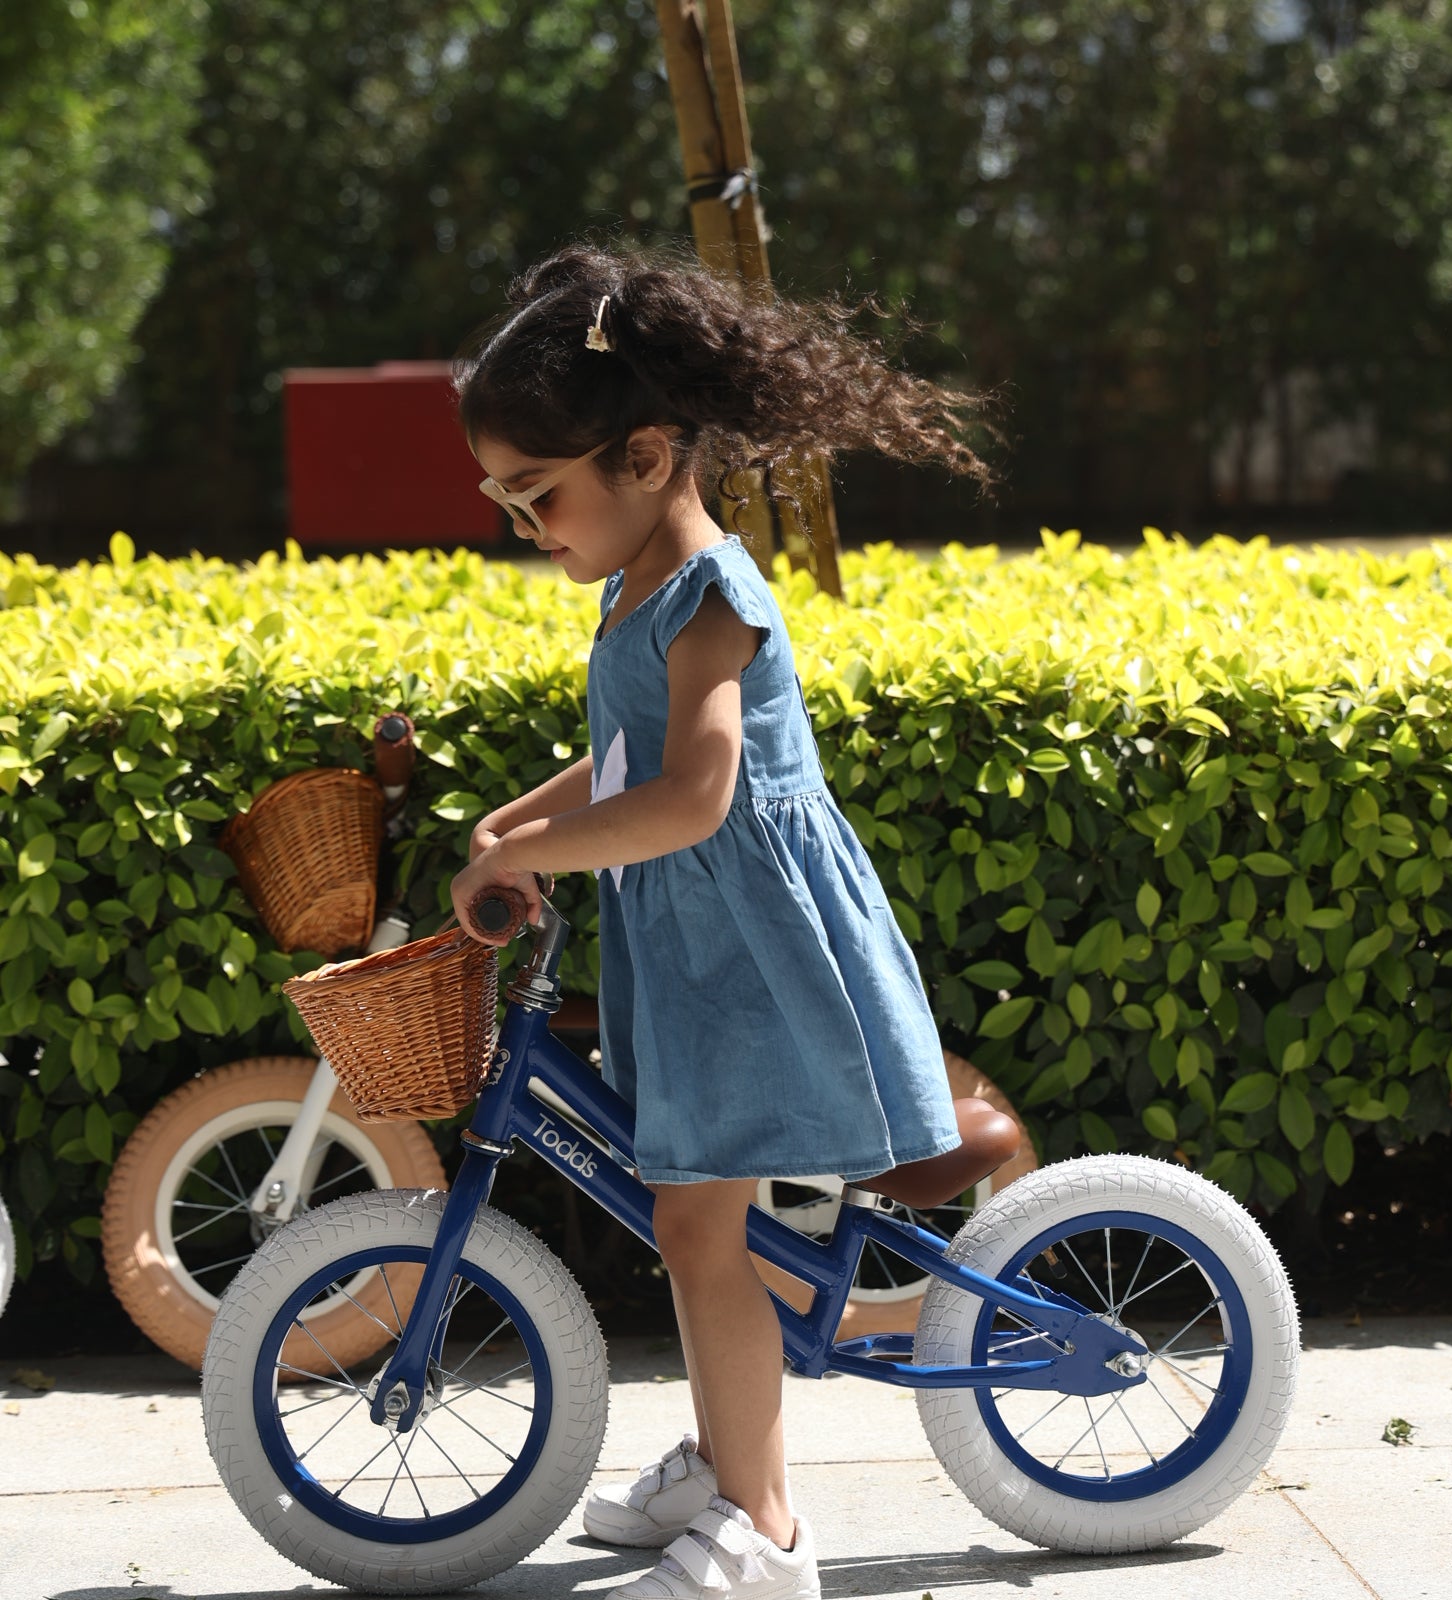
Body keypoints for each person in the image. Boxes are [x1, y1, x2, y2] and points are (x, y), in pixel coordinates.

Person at [447, 242, 992, 1600]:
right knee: (694, 1222)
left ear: (643, 458)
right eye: (505, 499)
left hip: (756, 947)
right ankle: (724, 1459)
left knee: (699, 1227)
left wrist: (552, 852)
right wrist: (519, 825)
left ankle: (764, 1534)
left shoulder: (710, 601)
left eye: (536, 495)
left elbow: (692, 796)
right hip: (698, 946)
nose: (525, 527)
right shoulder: (637, 588)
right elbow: (628, 765)